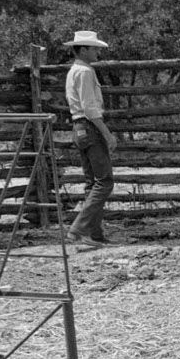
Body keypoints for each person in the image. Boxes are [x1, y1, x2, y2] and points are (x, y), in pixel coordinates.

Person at [65, 30, 119, 248]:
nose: (98, 51)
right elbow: (89, 107)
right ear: (83, 49)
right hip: (89, 127)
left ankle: (93, 234)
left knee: (92, 183)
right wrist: (107, 133)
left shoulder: (74, 71)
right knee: (105, 181)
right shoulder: (85, 71)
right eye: (95, 48)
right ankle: (79, 229)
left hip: (78, 128)